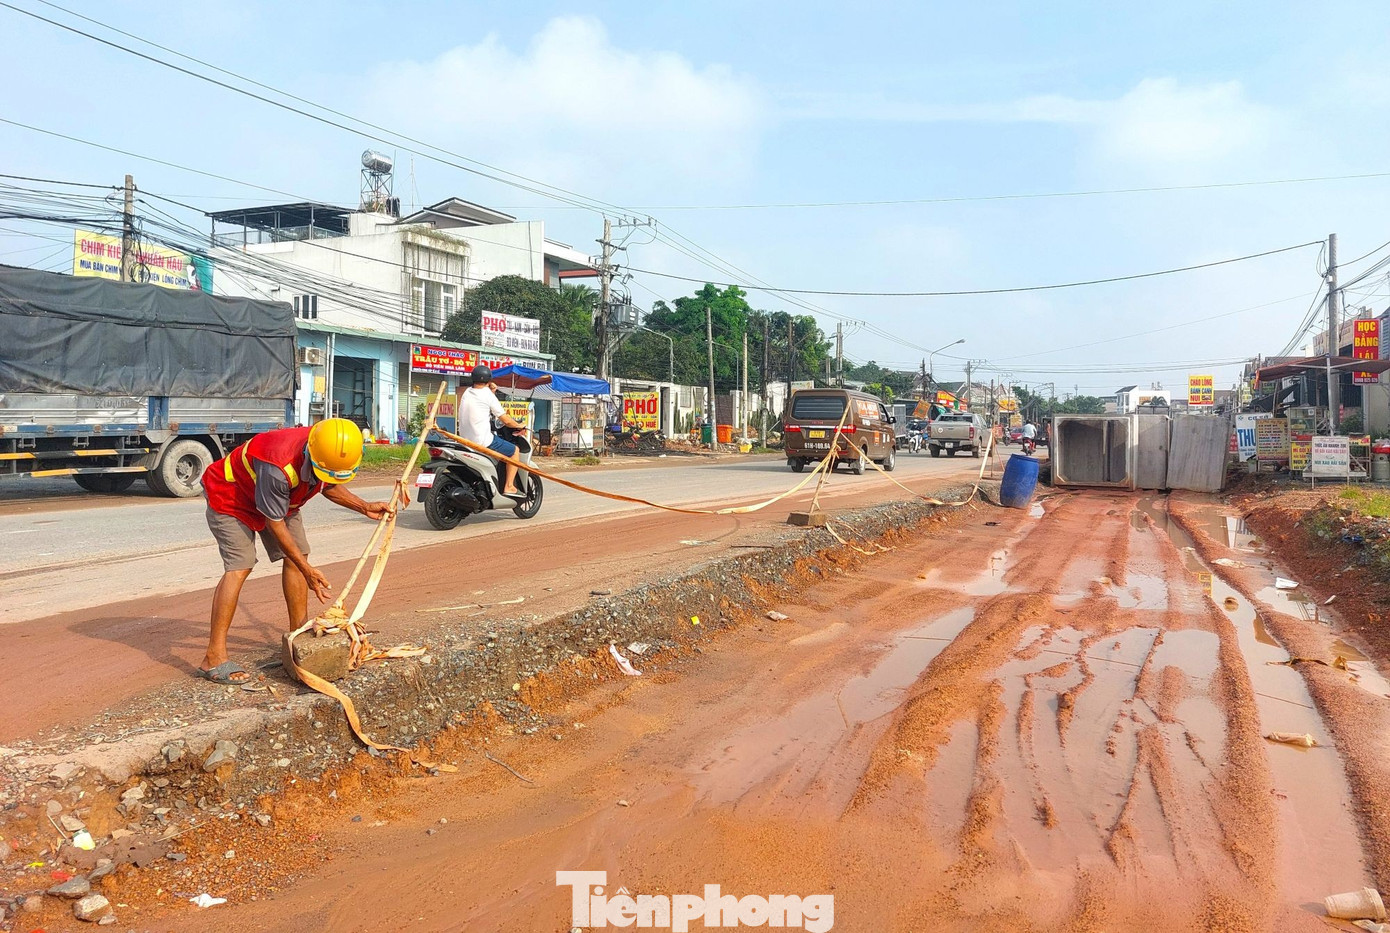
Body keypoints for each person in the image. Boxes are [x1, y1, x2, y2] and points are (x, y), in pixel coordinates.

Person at [198, 418, 398, 685]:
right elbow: (274, 522)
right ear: (309, 455)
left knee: (298, 556)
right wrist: (308, 572)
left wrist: (363, 506)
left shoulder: (326, 447)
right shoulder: (277, 466)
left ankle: (297, 636)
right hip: (232, 496)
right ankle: (214, 656)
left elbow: (328, 482)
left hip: (279, 500)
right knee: (240, 566)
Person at [459, 363, 526, 497]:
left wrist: (491, 390)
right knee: (514, 451)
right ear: (489, 379)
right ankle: (509, 486)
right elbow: (506, 420)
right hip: (483, 441)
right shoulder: (487, 395)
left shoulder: (467, 392)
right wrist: (519, 426)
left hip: (464, 441)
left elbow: (481, 402)